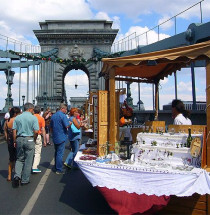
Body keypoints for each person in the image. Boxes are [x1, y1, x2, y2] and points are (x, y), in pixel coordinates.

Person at [12, 103, 39, 188]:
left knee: (19, 159)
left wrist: (15, 141)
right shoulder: (33, 118)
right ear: (30, 109)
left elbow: (14, 131)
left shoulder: (17, 117)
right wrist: (34, 139)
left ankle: (17, 176)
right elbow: (36, 131)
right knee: (28, 160)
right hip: (29, 138)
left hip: (19, 138)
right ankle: (25, 180)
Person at [50, 103, 70, 174]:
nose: (66, 110)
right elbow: (67, 126)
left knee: (56, 152)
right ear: (62, 109)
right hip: (62, 136)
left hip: (55, 136)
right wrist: (70, 123)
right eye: (65, 109)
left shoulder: (53, 116)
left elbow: (51, 127)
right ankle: (59, 169)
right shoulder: (63, 116)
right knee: (60, 153)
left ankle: (56, 166)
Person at [4, 107, 21, 181]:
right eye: (18, 113)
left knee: (11, 158)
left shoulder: (7, 121)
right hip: (16, 141)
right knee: (18, 158)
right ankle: (17, 174)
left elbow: (5, 132)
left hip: (9, 142)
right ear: (15, 114)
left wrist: (7, 139)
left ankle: (9, 175)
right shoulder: (17, 120)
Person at [32, 106, 47, 173]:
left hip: (29, 136)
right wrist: (44, 140)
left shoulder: (31, 117)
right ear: (40, 111)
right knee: (37, 152)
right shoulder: (41, 118)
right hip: (38, 135)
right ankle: (34, 167)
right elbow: (43, 129)